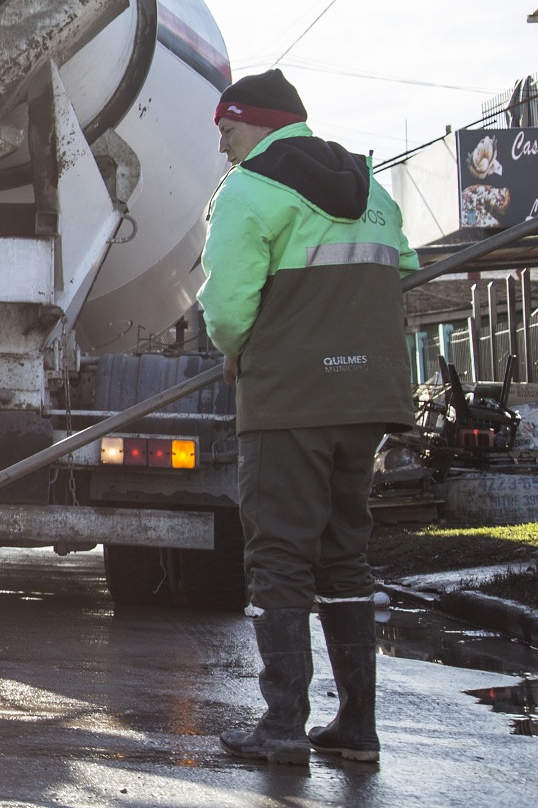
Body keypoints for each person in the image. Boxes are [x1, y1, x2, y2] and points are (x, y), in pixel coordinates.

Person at [198, 69, 415, 765]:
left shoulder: (249, 189)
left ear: (258, 122)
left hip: (289, 398)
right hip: (366, 401)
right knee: (342, 554)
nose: (223, 145)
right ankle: (355, 726)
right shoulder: (371, 188)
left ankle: (283, 724)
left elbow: (227, 309)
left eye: (227, 129)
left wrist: (235, 351)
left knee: (279, 556)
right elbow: (399, 268)